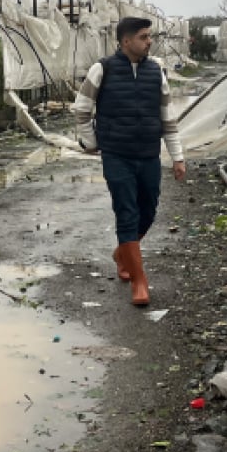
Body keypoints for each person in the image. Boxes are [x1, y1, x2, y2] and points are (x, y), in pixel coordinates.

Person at [71, 17, 187, 306]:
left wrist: (177, 157)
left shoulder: (155, 71)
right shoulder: (103, 69)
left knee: (148, 210)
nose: (149, 41)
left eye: (149, 36)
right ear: (126, 41)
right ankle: (139, 281)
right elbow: (82, 110)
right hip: (117, 155)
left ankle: (122, 253)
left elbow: (168, 118)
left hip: (148, 153)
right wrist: (92, 142)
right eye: (144, 37)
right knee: (126, 211)